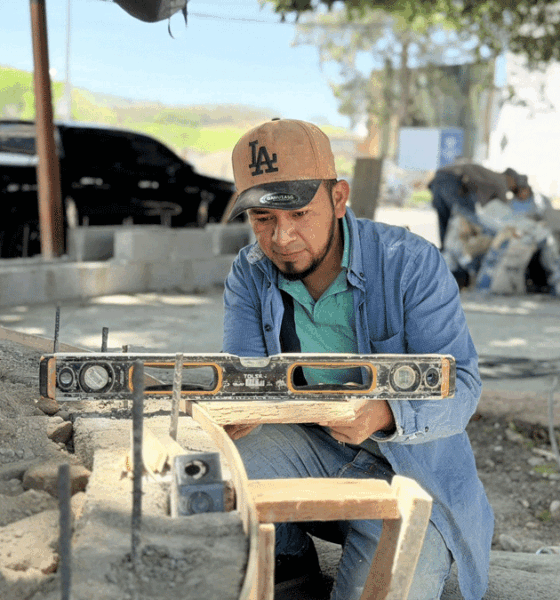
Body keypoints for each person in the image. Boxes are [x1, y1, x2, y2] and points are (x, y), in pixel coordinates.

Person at [222, 118, 493, 600]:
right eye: (263, 219)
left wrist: (385, 413)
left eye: (299, 213)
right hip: (309, 451)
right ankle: (289, 560)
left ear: (339, 198)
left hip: (411, 473)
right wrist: (234, 410)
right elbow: (246, 381)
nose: (282, 237)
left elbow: (464, 386)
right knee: (214, 472)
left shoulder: (410, 262)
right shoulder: (250, 273)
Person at [428, 160, 522, 249]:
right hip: (454, 179)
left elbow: (485, 202)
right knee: (469, 215)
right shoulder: (502, 180)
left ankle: (444, 249)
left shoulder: (491, 177)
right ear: (510, 178)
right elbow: (504, 211)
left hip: (439, 177)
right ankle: (462, 249)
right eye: (515, 183)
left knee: (444, 218)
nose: (513, 187)